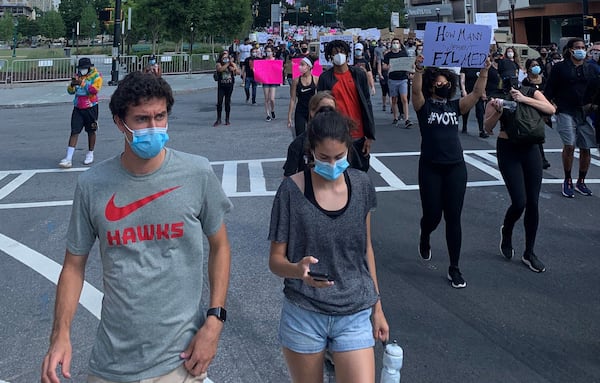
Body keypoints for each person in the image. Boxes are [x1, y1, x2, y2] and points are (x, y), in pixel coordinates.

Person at [41, 71, 233, 383]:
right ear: (120, 122)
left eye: (160, 116)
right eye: (142, 119)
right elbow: (73, 266)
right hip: (111, 363)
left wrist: (215, 319)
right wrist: (60, 336)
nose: (154, 128)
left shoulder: (197, 173)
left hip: (180, 360)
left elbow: (220, 245)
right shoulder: (92, 185)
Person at [269, 109, 389, 383]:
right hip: (304, 312)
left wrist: (377, 308)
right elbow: (275, 260)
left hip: (354, 310)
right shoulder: (290, 191)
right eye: (324, 158)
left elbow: (366, 249)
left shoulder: (362, 185)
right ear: (310, 151)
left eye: (339, 157)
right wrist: (298, 270)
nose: (332, 165)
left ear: (349, 149)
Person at [412, 56, 490, 288]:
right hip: (430, 167)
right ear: (430, 85)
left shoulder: (455, 106)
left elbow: (476, 94)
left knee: (453, 218)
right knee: (433, 215)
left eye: (446, 82)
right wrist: (417, 69)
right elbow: (415, 92)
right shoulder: (423, 106)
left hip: (455, 167)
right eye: (438, 83)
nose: (443, 85)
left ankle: (454, 267)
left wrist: (484, 71)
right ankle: (425, 234)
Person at [483, 63, 556, 273]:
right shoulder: (496, 96)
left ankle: (529, 251)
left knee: (533, 202)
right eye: (506, 77)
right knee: (519, 201)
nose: (510, 80)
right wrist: (498, 111)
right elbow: (487, 128)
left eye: (513, 75)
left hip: (531, 148)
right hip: (508, 149)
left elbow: (551, 109)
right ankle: (507, 230)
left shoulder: (531, 91)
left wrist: (523, 98)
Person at [545, 37, 599, 198]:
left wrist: (593, 105)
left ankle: (581, 181)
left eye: (583, 47)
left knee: (586, 147)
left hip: (585, 112)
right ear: (570, 50)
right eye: (578, 47)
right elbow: (550, 88)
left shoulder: (590, 69)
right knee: (569, 145)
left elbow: (596, 89)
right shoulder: (560, 68)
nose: (581, 50)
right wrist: (549, 106)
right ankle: (568, 179)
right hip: (565, 110)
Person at [317, 39, 375, 172]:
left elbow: (367, 104)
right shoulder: (325, 78)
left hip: (358, 133)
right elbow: (321, 108)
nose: (339, 54)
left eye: (342, 51)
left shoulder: (359, 74)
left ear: (348, 54)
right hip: (336, 133)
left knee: (360, 173)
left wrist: (370, 135)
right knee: (339, 174)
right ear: (330, 57)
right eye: (335, 52)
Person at [59, 57, 103, 168]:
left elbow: (94, 90)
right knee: (74, 131)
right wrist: (73, 85)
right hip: (78, 107)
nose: (82, 70)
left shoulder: (96, 76)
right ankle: (68, 158)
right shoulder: (77, 75)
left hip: (91, 107)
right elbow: (70, 91)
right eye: (81, 68)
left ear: (89, 67)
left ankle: (90, 153)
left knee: (91, 130)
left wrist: (82, 83)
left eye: (84, 68)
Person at [283, 91, 336, 177]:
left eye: (331, 110)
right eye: (323, 110)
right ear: (312, 111)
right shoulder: (298, 144)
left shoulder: (341, 141)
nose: (327, 114)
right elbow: (288, 178)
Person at [521, 58, 551, 169]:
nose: (535, 67)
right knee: (536, 134)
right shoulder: (525, 82)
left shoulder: (544, 80)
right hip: (532, 110)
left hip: (543, 109)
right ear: (528, 68)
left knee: (540, 135)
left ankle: (540, 158)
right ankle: (541, 159)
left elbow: (549, 93)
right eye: (533, 65)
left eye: (537, 65)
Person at [383, 38, 413, 128]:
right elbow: (384, 66)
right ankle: (395, 117)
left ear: (400, 45)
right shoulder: (388, 55)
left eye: (397, 43)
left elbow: (408, 64)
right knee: (394, 99)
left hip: (403, 78)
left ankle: (406, 118)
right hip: (392, 79)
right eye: (394, 43)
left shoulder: (403, 54)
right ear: (391, 44)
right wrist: (388, 67)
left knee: (404, 98)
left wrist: (411, 70)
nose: (395, 44)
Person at [287, 56, 318, 137]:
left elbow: (320, 97)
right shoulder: (296, 80)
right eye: (300, 64)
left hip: (312, 110)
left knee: (313, 135)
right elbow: (293, 99)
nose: (300, 67)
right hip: (300, 110)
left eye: (302, 64)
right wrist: (289, 116)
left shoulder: (316, 79)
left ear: (309, 66)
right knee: (299, 135)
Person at [460, 66, 488, 138]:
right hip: (468, 90)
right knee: (466, 109)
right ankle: (464, 126)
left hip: (478, 92)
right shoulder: (465, 66)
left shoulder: (480, 67)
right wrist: (463, 90)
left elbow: (484, 79)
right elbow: (462, 80)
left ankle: (481, 130)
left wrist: (484, 92)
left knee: (480, 110)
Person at [214, 50, 239, 126]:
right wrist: (228, 63)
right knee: (219, 102)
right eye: (223, 57)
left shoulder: (232, 64)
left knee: (227, 102)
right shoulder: (219, 64)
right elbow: (220, 69)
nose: (225, 58)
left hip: (229, 85)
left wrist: (234, 68)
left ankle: (227, 119)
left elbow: (238, 72)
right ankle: (218, 119)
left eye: (226, 57)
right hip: (221, 85)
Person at [262, 45, 280, 122]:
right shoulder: (263, 60)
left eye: (269, 51)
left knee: (272, 98)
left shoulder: (276, 60)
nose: (268, 53)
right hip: (265, 80)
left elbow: (279, 69)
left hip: (273, 80)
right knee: (266, 98)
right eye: (267, 51)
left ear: (273, 52)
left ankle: (272, 110)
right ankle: (268, 114)